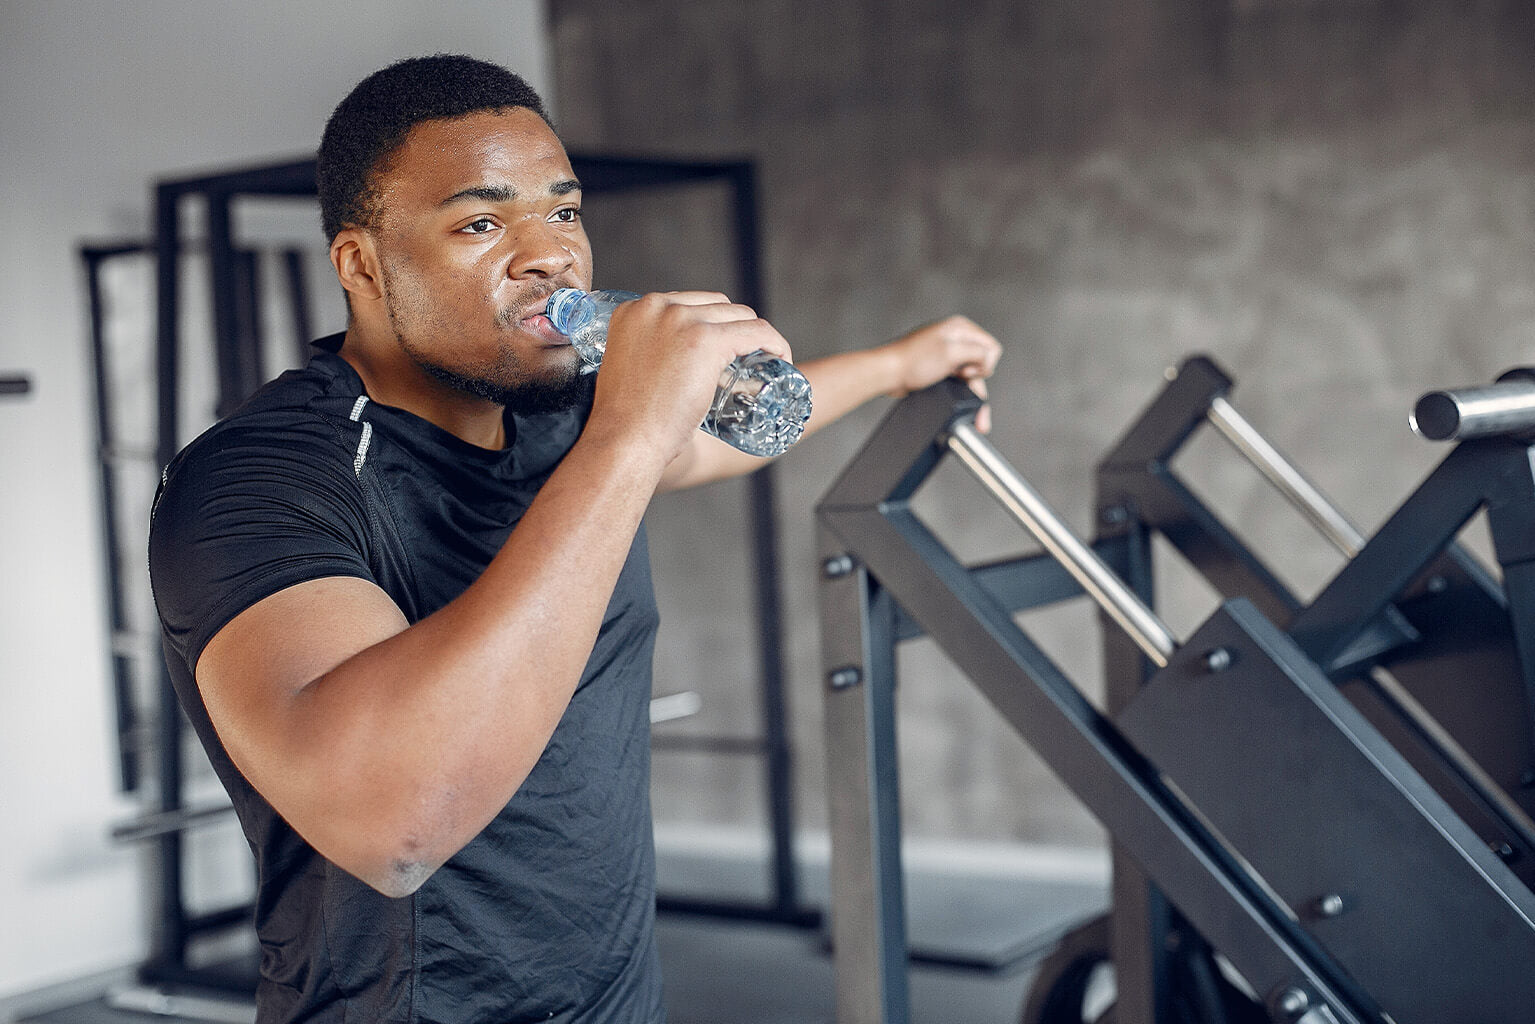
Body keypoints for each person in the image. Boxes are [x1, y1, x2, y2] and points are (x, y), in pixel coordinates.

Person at [149, 53, 1001, 1024]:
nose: (549, 254)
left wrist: (899, 363)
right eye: (479, 223)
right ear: (361, 265)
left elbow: (706, 450)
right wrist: (626, 437)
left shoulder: (552, 418)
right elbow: (396, 823)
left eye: (561, 211)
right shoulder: (260, 479)